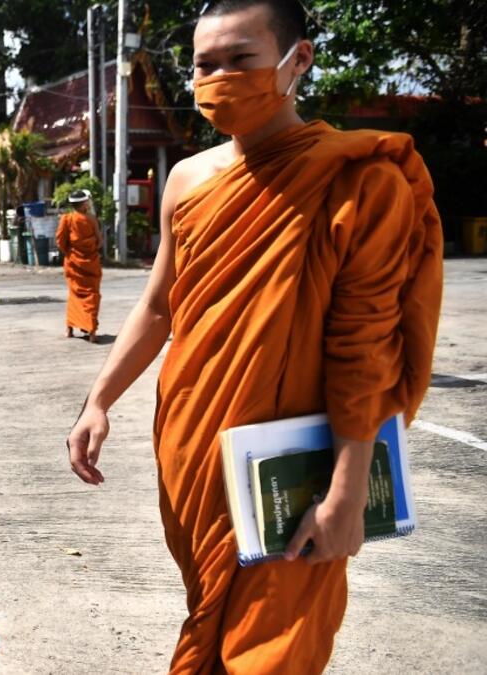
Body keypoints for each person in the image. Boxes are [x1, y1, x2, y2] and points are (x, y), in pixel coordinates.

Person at [65, 1, 442, 672]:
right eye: (206, 65)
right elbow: (158, 308)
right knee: (209, 610)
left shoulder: (360, 180)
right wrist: (99, 398)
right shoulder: (187, 180)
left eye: (242, 59)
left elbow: (366, 351)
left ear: (298, 60)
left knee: (271, 653)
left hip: (299, 470)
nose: (220, 78)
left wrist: (349, 491)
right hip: (193, 448)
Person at [55, 190, 103, 341]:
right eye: (87, 201)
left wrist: (70, 252)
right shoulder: (92, 219)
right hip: (91, 263)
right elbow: (99, 241)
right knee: (92, 295)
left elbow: (60, 241)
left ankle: (69, 329)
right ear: (84, 204)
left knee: (74, 295)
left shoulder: (66, 219)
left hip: (73, 263)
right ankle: (92, 331)